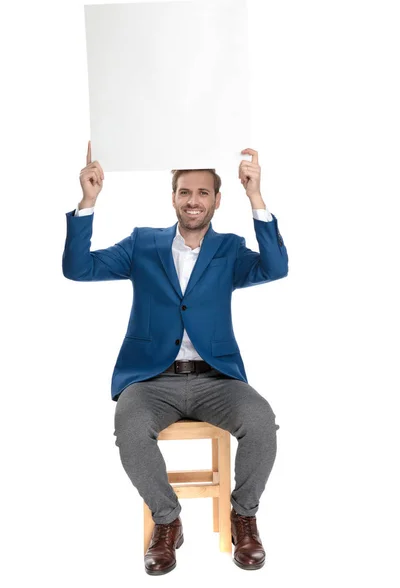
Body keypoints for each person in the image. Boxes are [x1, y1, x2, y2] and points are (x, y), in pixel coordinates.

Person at [62, 140, 288, 575]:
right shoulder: (143, 244)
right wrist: (88, 201)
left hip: (216, 379)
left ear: (217, 200)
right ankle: (167, 521)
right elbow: (78, 268)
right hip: (151, 381)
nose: (193, 201)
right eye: (185, 192)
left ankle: (243, 516)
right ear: (173, 198)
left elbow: (276, 267)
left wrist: (256, 197)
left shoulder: (230, 250)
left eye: (203, 193)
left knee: (261, 421)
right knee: (129, 428)